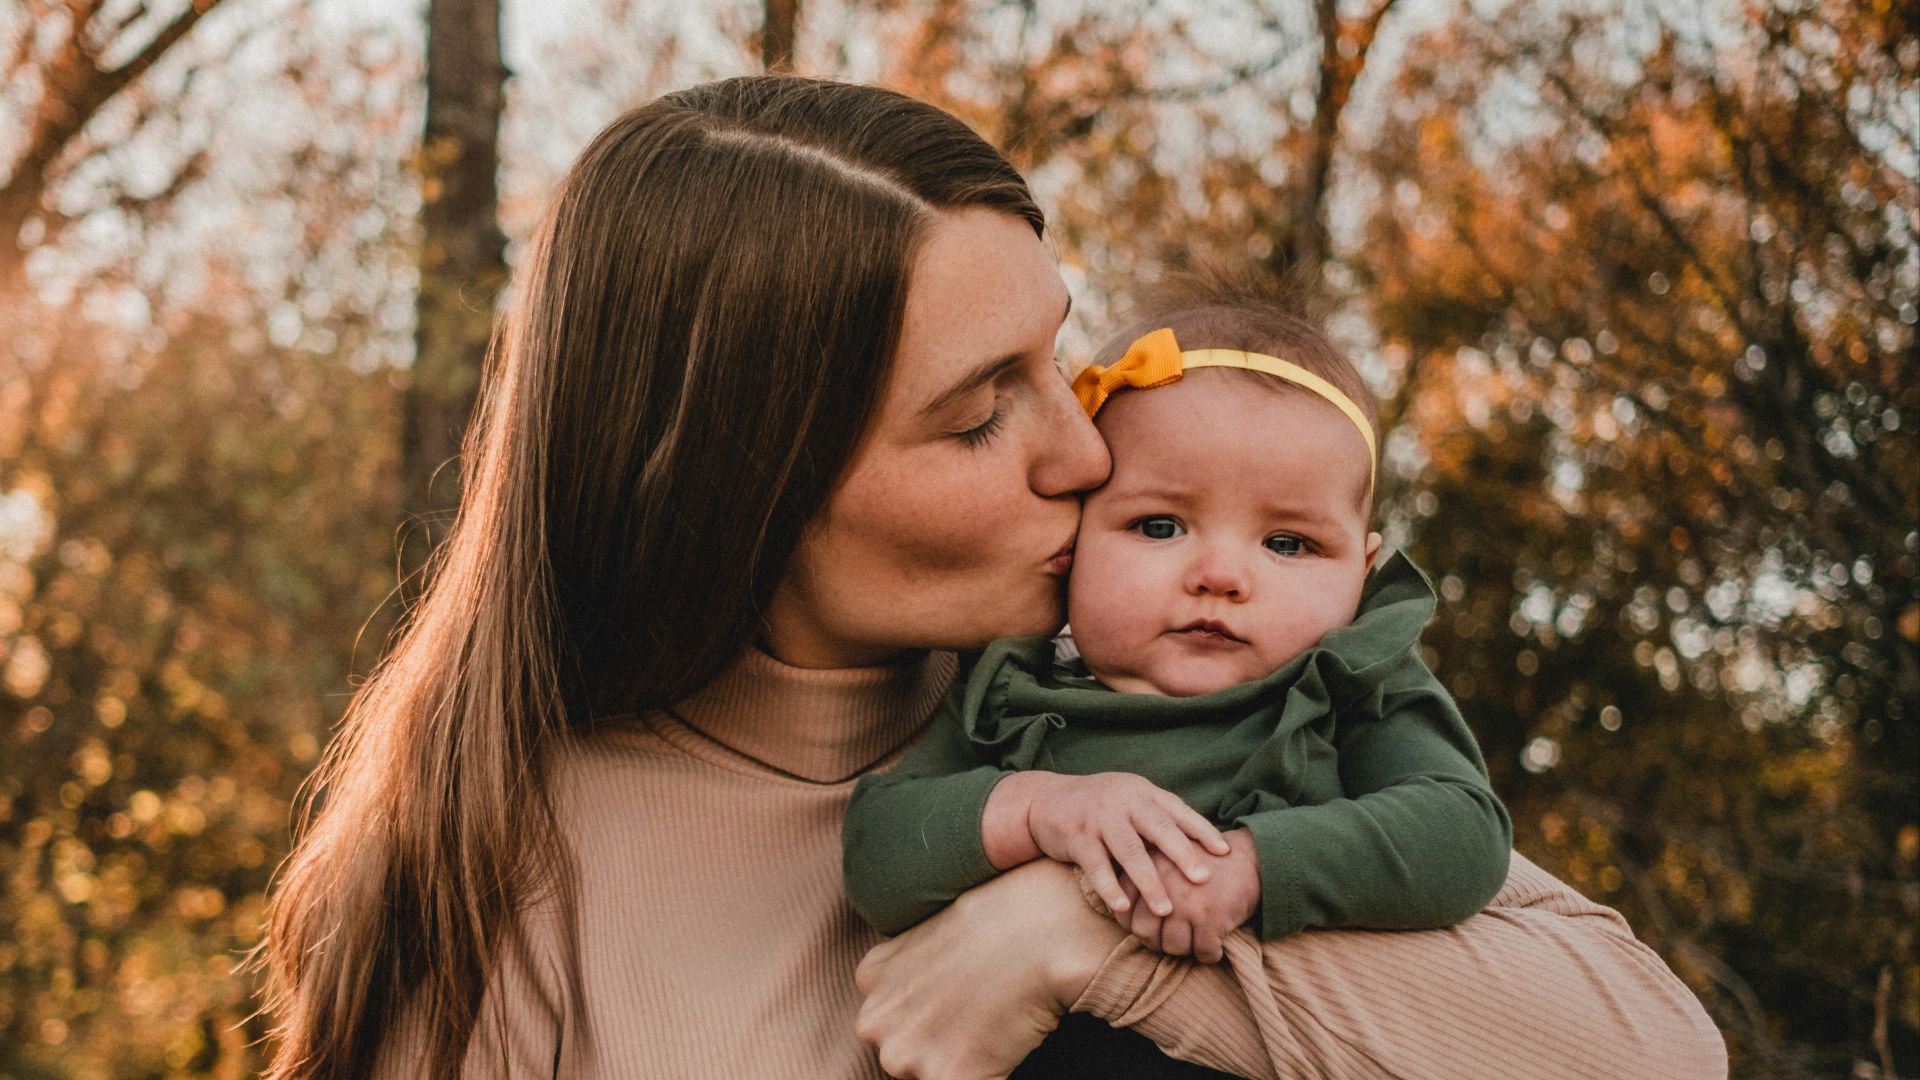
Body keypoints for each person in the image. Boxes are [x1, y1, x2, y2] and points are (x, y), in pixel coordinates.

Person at [257, 74, 1727, 1080]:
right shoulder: (497, 869)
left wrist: (1086, 937)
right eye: (979, 414)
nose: (1087, 454)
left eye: (1061, 362)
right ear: (743, 488)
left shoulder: (1131, 701)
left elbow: (1655, 1049)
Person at [843, 276, 1512, 971]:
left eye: (1287, 544)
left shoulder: (1347, 685)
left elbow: (1464, 831)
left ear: (1363, 574)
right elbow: (876, 856)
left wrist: (1255, 866)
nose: (1220, 574)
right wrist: (1040, 809)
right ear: (1074, 543)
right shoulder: (1013, 681)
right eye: (1159, 526)